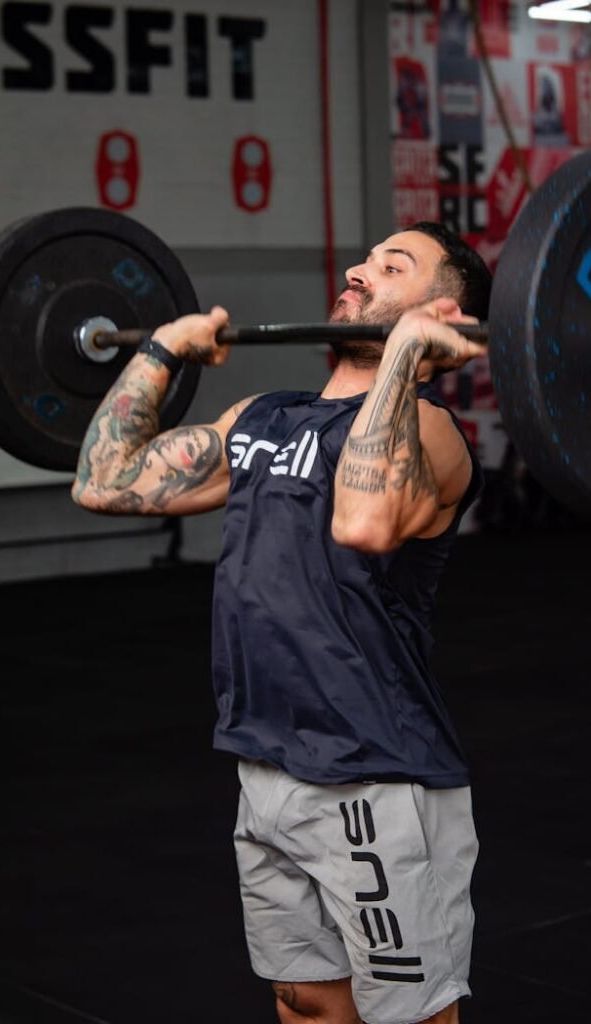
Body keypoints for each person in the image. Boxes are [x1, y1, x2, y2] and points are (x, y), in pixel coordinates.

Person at [72, 222, 491, 1024]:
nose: (359, 272)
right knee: (304, 1003)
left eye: (390, 266)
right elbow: (105, 480)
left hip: (374, 771)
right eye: (363, 261)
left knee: (409, 1016)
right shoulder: (264, 418)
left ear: (443, 313)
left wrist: (404, 357)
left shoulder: (431, 433)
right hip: (265, 760)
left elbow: (365, 523)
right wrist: (160, 351)